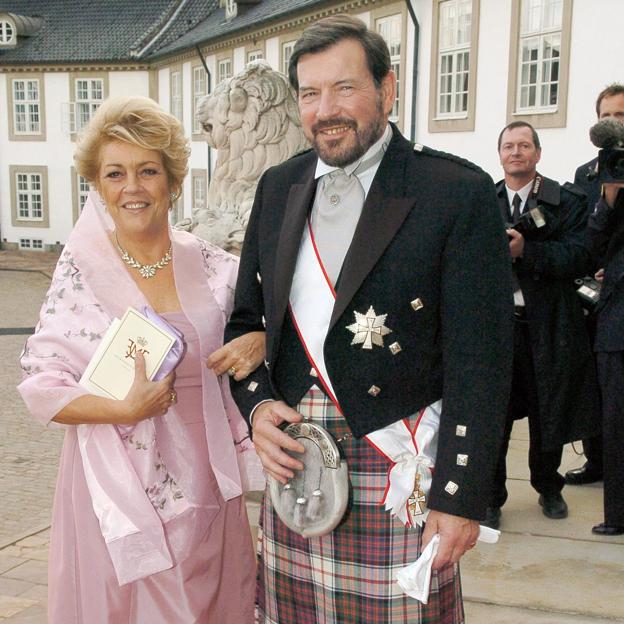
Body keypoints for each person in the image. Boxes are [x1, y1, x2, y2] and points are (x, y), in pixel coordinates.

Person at [225, 15, 513, 623]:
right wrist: (256, 406)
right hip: (301, 470)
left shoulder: (454, 192)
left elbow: (481, 364)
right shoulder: (278, 187)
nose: (325, 109)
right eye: (309, 93)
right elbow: (246, 326)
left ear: (388, 88)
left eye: (344, 88)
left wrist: (459, 498)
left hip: (399, 473)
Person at [17, 96, 265, 624]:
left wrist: (261, 339)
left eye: (148, 170)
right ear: (99, 185)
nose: (132, 187)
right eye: (115, 173)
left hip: (205, 476)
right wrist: (122, 408)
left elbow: (263, 328)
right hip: (115, 484)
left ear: (173, 182)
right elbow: (42, 385)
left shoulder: (217, 265)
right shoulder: (80, 268)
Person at [484, 121, 600, 529]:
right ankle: (491, 498)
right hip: (500, 331)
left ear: (537, 153)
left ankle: (548, 488)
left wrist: (525, 252)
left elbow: (579, 257)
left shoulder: (565, 200)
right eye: (508, 146)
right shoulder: (485, 200)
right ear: (500, 154)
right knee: (494, 418)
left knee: (547, 412)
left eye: (524, 145)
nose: (516, 152)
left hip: (549, 326)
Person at [566, 83, 624, 487]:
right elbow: (585, 235)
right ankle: (597, 461)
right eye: (607, 116)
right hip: (594, 296)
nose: (614, 123)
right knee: (593, 386)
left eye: (621, 116)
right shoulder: (587, 174)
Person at [587, 181, 624, 535]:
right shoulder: (608, 190)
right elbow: (591, 248)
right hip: (617, 325)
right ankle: (617, 514)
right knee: (615, 423)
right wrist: (609, 200)